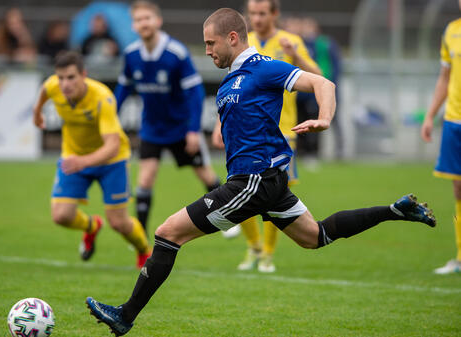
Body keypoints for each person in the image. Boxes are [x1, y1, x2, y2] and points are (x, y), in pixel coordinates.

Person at [85, 8, 436, 335]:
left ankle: (125, 316)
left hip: (253, 179)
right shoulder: (231, 80)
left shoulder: (263, 67)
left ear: (233, 38)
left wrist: (325, 118)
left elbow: (323, 84)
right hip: (264, 181)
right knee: (315, 237)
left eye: (211, 43)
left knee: (167, 233)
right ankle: (394, 211)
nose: (206, 50)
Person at [213, 0, 322, 273]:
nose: (257, 18)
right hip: (246, 130)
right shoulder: (243, 46)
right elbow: (233, 90)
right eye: (252, 13)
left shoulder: (291, 41)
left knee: (275, 193)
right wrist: (219, 125)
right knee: (237, 184)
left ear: (275, 14)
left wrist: (295, 56)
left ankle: (268, 254)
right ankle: (253, 246)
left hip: (283, 130)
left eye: (262, 13)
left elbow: (318, 78)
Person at [32, 51, 151, 268]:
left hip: (111, 161)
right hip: (74, 156)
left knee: (119, 223)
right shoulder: (53, 86)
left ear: (83, 75)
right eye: (61, 78)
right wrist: (37, 111)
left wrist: (83, 162)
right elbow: (44, 91)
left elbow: (112, 145)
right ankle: (91, 226)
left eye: (71, 77)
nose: (64, 84)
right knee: (61, 216)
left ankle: (144, 250)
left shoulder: (102, 98)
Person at [114, 1, 221, 233]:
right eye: (138, 20)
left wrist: (193, 130)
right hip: (152, 128)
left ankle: (228, 218)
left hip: (181, 128)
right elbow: (123, 89)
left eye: (147, 18)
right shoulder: (131, 55)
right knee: (144, 181)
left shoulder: (176, 52)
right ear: (133, 25)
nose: (143, 23)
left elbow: (195, 92)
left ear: (158, 21)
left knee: (206, 174)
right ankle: (140, 236)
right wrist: (111, 119)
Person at [421, 2, 461, 275]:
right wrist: (430, 115)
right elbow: (445, 78)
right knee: (459, 189)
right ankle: (460, 257)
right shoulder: (451, 31)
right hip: (454, 120)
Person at [296, 16, 344, 162]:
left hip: (327, 89)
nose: (306, 29)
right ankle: (306, 152)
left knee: (332, 120)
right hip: (310, 92)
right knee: (309, 121)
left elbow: (335, 67)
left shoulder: (325, 44)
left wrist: (329, 83)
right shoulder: (302, 44)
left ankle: (339, 151)